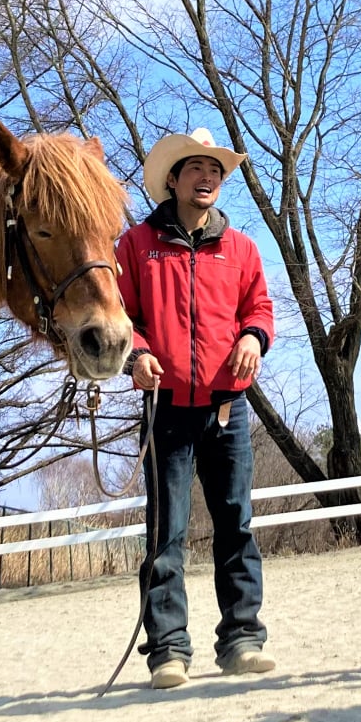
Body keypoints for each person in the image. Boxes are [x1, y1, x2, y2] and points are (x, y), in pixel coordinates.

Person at [116, 128, 278, 688]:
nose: (208, 179)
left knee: (236, 524)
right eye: (197, 170)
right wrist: (136, 354)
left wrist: (254, 339)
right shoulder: (135, 246)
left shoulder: (242, 248)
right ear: (173, 180)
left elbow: (259, 307)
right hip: (165, 410)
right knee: (166, 533)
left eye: (216, 171)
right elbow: (122, 319)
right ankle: (167, 650)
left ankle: (242, 639)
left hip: (227, 408)